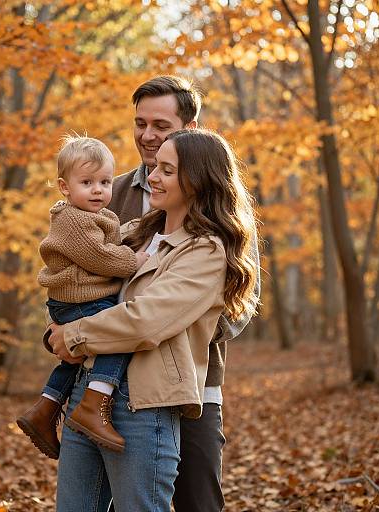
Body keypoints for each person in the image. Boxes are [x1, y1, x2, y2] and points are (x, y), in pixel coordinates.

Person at [48, 127, 259, 512]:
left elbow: (145, 322)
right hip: (86, 393)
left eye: (166, 170)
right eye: (155, 167)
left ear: (196, 181)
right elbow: (80, 269)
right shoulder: (135, 233)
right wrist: (57, 325)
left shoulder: (206, 252)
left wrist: (74, 334)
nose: (153, 177)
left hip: (143, 407)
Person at [107, 75, 260, 512]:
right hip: (110, 380)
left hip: (193, 382)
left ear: (190, 128)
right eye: (140, 123)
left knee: (199, 500)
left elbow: (238, 305)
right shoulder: (109, 192)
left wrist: (171, 322)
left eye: (161, 125)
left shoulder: (218, 200)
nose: (148, 135)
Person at [16, 136, 150, 459]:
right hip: (81, 299)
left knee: (72, 359)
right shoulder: (72, 219)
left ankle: (46, 408)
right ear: (64, 186)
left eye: (105, 182)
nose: (98, 190)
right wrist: (133, 261)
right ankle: (95, 402)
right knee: (116, 338)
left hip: (79, 297)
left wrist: (133, 235)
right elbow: (99, 256)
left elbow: (108, 241)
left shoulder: (95, 216)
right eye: (87, 182)